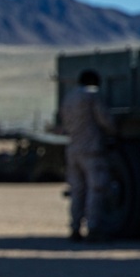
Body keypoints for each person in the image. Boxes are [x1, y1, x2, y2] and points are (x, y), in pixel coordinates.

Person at [59, 69, 116, 242]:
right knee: (95, 189)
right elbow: (104, 119)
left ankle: (75, 228)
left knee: (77, 191)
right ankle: (93, 228)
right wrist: (114, 131)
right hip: (91, 150)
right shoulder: (92, 95)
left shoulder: (69, 98)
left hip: (73, 148)